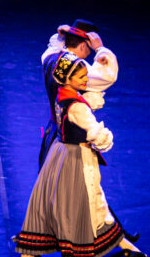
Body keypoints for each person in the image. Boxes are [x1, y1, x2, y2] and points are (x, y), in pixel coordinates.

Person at [13, 52, 145, 257]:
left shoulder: (62, 93)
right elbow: (96, 132)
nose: (87, 79)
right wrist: (105, 137)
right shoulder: (76, 108)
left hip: (60, 155)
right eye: (82, 76)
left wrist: (98, 63)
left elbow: (86, 99)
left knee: (69, 208)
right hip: (74, 161)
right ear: (67, 79)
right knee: (82, 208)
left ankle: (125, 245)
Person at [38, 19, 117, 168]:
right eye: (89, 48)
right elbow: (107, 76)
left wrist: (61, 37)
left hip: (54, 132)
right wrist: (100, 48)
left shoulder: (50, 57)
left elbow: (53, 47)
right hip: (71, 139)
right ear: (83, 45)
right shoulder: (74, 68)